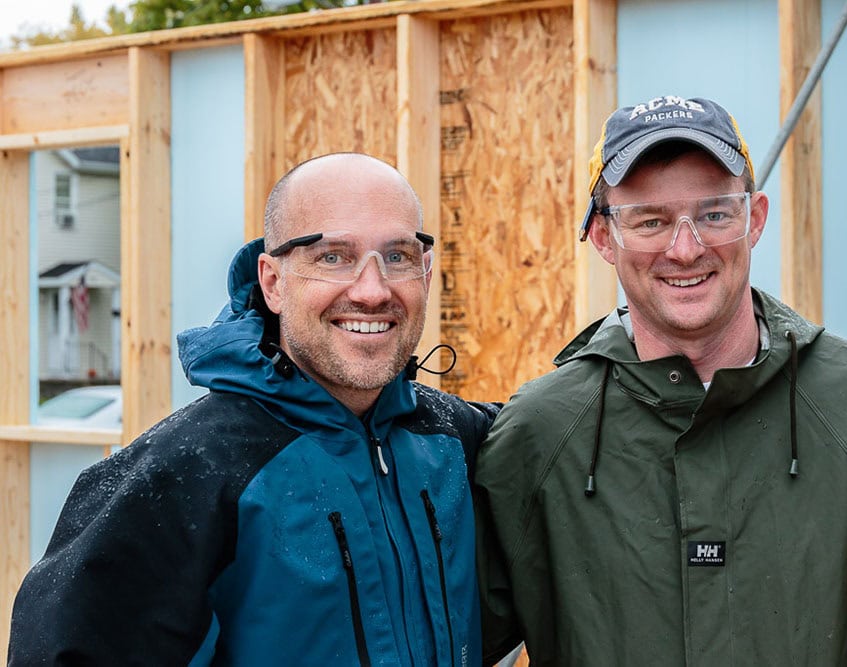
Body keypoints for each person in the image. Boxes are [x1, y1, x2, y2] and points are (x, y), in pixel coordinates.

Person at [475, 95, 847, 665]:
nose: (686, 248)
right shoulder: (540, 433)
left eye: (714, 214)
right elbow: (452, 639)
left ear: (755, 218)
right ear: (604, 237)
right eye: (650, 221)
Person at [9, 153, 496, 665]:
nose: (372, 290)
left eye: (396, 256)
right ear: (272, 281)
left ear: (425, 272)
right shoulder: (182, 475)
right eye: (332, 256)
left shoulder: (452, 440)